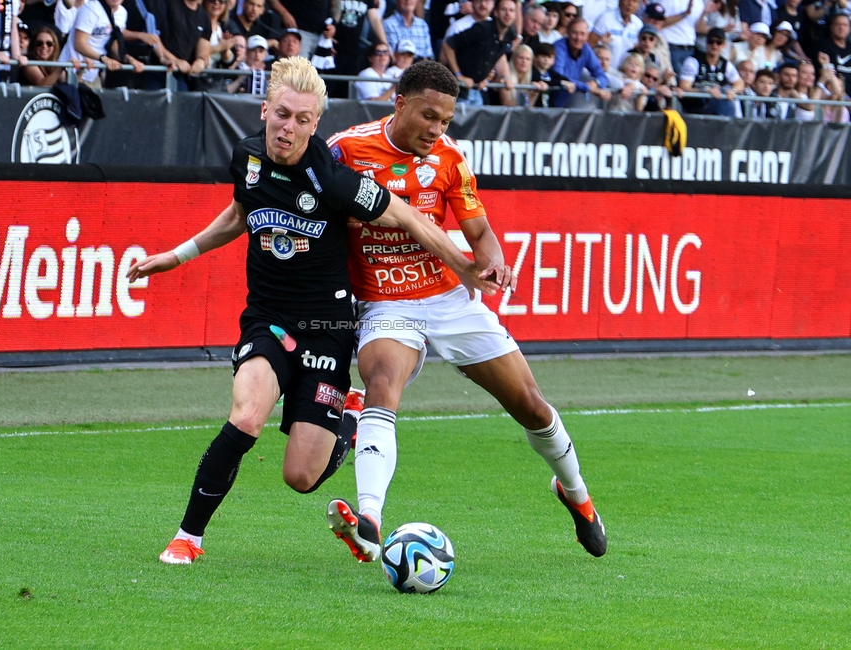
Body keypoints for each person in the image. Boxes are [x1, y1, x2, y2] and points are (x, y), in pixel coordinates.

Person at [126, 56, 494, 565]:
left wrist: (465, 264)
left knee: (301, 477)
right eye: (282, 114)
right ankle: (189, 537)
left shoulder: (332, 177)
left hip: (327, 329)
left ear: (315, 123)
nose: (289, 127)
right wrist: (177, 255)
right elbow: (240, 212)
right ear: (265, 110)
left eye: (302, 119)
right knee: (247, 416)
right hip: (269, 318)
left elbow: (408, 216)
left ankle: (352, 415)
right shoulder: (247, 158)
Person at [324, 58, 608, 564]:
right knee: (382, 384)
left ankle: (576, 494)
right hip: (385, 302)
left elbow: (480, 234)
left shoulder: (450, 159)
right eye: (428, 117)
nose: (436, 130)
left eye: (446, 122)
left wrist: (495, 264)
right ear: (400, 102)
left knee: (532, 406)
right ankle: (369, 520)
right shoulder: (345, 150)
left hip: (448, 299)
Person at [441, 0, 518, 106]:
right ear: (495, 12)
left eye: (511, 10)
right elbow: (447, 44)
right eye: (504, 10)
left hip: (477, 90)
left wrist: (505, 77)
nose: (508, 14)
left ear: (515, 15)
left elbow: (499, 56)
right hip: (457, 90)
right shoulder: (482, 29)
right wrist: (459, 75)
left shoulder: (510, 33)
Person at [58, 0, 146, 88]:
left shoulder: (122, 13)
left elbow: (114, 45)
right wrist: (103, 59)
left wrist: (129, 59)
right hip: (70, 70)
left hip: (93, 74)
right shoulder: (91, 9)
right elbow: (79, 44)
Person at [678, 26, 744, 114]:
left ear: (724, 45)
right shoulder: (693, 61)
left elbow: (740, 83)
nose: (714, 45)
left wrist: (733, 90)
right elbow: (684, 86)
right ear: (706, 43)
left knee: (727, 95)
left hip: (718, 106)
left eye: (719, 42)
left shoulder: (726, 64)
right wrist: (704, 91)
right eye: (711, 41)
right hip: (695, 107)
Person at [329, 0, 388, 98]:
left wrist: (385, 45)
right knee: (329, 88)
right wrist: (326, 42)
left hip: (353, 51)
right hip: (334, 49)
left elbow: (374, 19)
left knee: (346, 92)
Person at [553, 18, 613, 106]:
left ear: (587, 36)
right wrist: (588, 88)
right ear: (568, 33)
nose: (578, 38)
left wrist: (596, 83)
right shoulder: (559, 47)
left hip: (567, 104)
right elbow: (560, 77)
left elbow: (601, 74)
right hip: (550, 102)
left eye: (582, 34)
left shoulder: (585, 48)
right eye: (575, 33)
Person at [159, 0, 212, 91]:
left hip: (182, 77)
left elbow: (204, 47)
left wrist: (201, 60)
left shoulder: (204, 16)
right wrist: (175, 60)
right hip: (158, 70)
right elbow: (155, 37)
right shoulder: (168, 4)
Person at [267, 0, 335, 59]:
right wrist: (284, 14)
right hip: (298, 31)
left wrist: (334, 24)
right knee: (298, 70)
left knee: (319, 71)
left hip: (323, 35)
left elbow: (336, 3)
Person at [590, 0, 643, 72]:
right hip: (604, 71)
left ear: (638, 6)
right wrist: (601, 43)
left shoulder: (638, 25)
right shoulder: (606, 18)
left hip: (625, 75)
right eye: (627, 0)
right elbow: (589, 45)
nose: (630, 4)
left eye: (634, 1)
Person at [660, 0, 707, 75]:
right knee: (677, 80)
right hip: (673, 47)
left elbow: (699, 28)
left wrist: (705, 12)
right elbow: (661, 22)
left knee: (688, 81)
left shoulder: (698, 2)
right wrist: (685, 13)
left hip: (691, 49)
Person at [532, 40, 577, 106]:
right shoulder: (532, 71)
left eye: (549, 57)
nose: (546, 60)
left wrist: (568, 82)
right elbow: (544, 81)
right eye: (543, 56)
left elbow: (561, 78)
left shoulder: (550, 72)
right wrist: (561, 83)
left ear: (553, 60)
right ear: (536, 58)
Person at [817, 13, 851, 81]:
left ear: (849, 28)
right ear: (831, 27)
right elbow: (824, 74)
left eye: (845, 25)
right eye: (838, 24)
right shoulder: (824, 47)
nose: (841, 28)